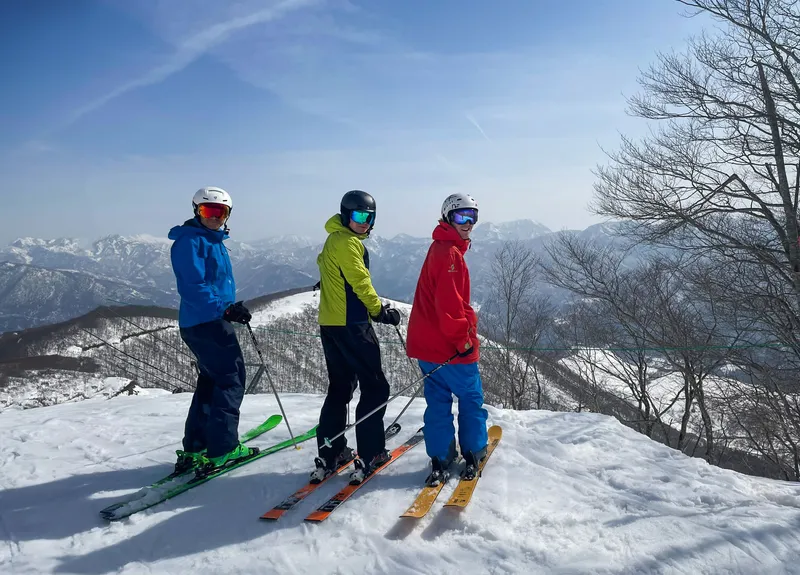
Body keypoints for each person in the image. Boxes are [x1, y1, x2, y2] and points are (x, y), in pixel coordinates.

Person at [312, 190, 401, 485]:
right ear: (346, 214)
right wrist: (378, 311)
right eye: (359, 216)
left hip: (331, 324)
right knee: (375, 386)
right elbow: (360, 281)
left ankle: (331, 450)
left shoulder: (333, 239)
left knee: (340, 387)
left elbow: (327, 266)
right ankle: (372, 452)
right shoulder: (348, 243)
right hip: (352, 323)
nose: (365, 222)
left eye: (370, 217)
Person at [168, 186, 255, 477]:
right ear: (196, 211)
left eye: (220, 212)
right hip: (207, 322)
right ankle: (223, 449)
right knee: (231, 380)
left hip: (203, 320)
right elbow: (193, 286)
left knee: (210, 381)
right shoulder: (191, 242)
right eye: (208, 211)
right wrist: (224, 309)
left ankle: (197, 446)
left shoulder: (210, 240)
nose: (214, 217)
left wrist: (227, 307)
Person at [406, 192, 488, 485]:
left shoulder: (439, 247)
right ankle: (474, 450)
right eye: (461, 217)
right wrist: (463, 342)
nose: (468, 223)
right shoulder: (450, 254)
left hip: (427, 347)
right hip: (448, 347)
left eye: (472, 217)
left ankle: (441, 455)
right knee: (470, 397)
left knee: (438, 401)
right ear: (447, 217)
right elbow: (450, 306)